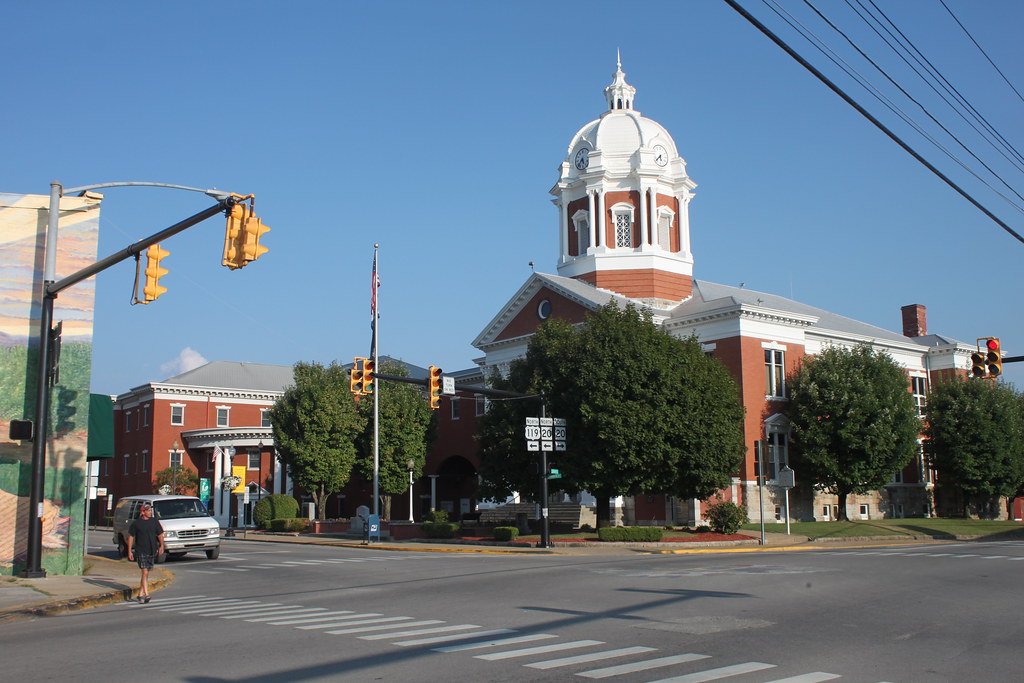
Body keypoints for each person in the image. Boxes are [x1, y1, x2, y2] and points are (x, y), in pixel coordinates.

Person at [126, 503, 165, 603]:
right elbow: (131, 537)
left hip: (152, 549)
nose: (150, 512)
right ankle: (147, 594)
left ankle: (140, 594)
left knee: (146, 573)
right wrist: (129, 551)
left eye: (150, 511)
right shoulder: (136, 523)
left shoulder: (154, 521)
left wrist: (161, 545)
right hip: (141, 550)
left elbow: (160, 534)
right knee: (144, 572)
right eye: (148, 511)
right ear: (142, 512)